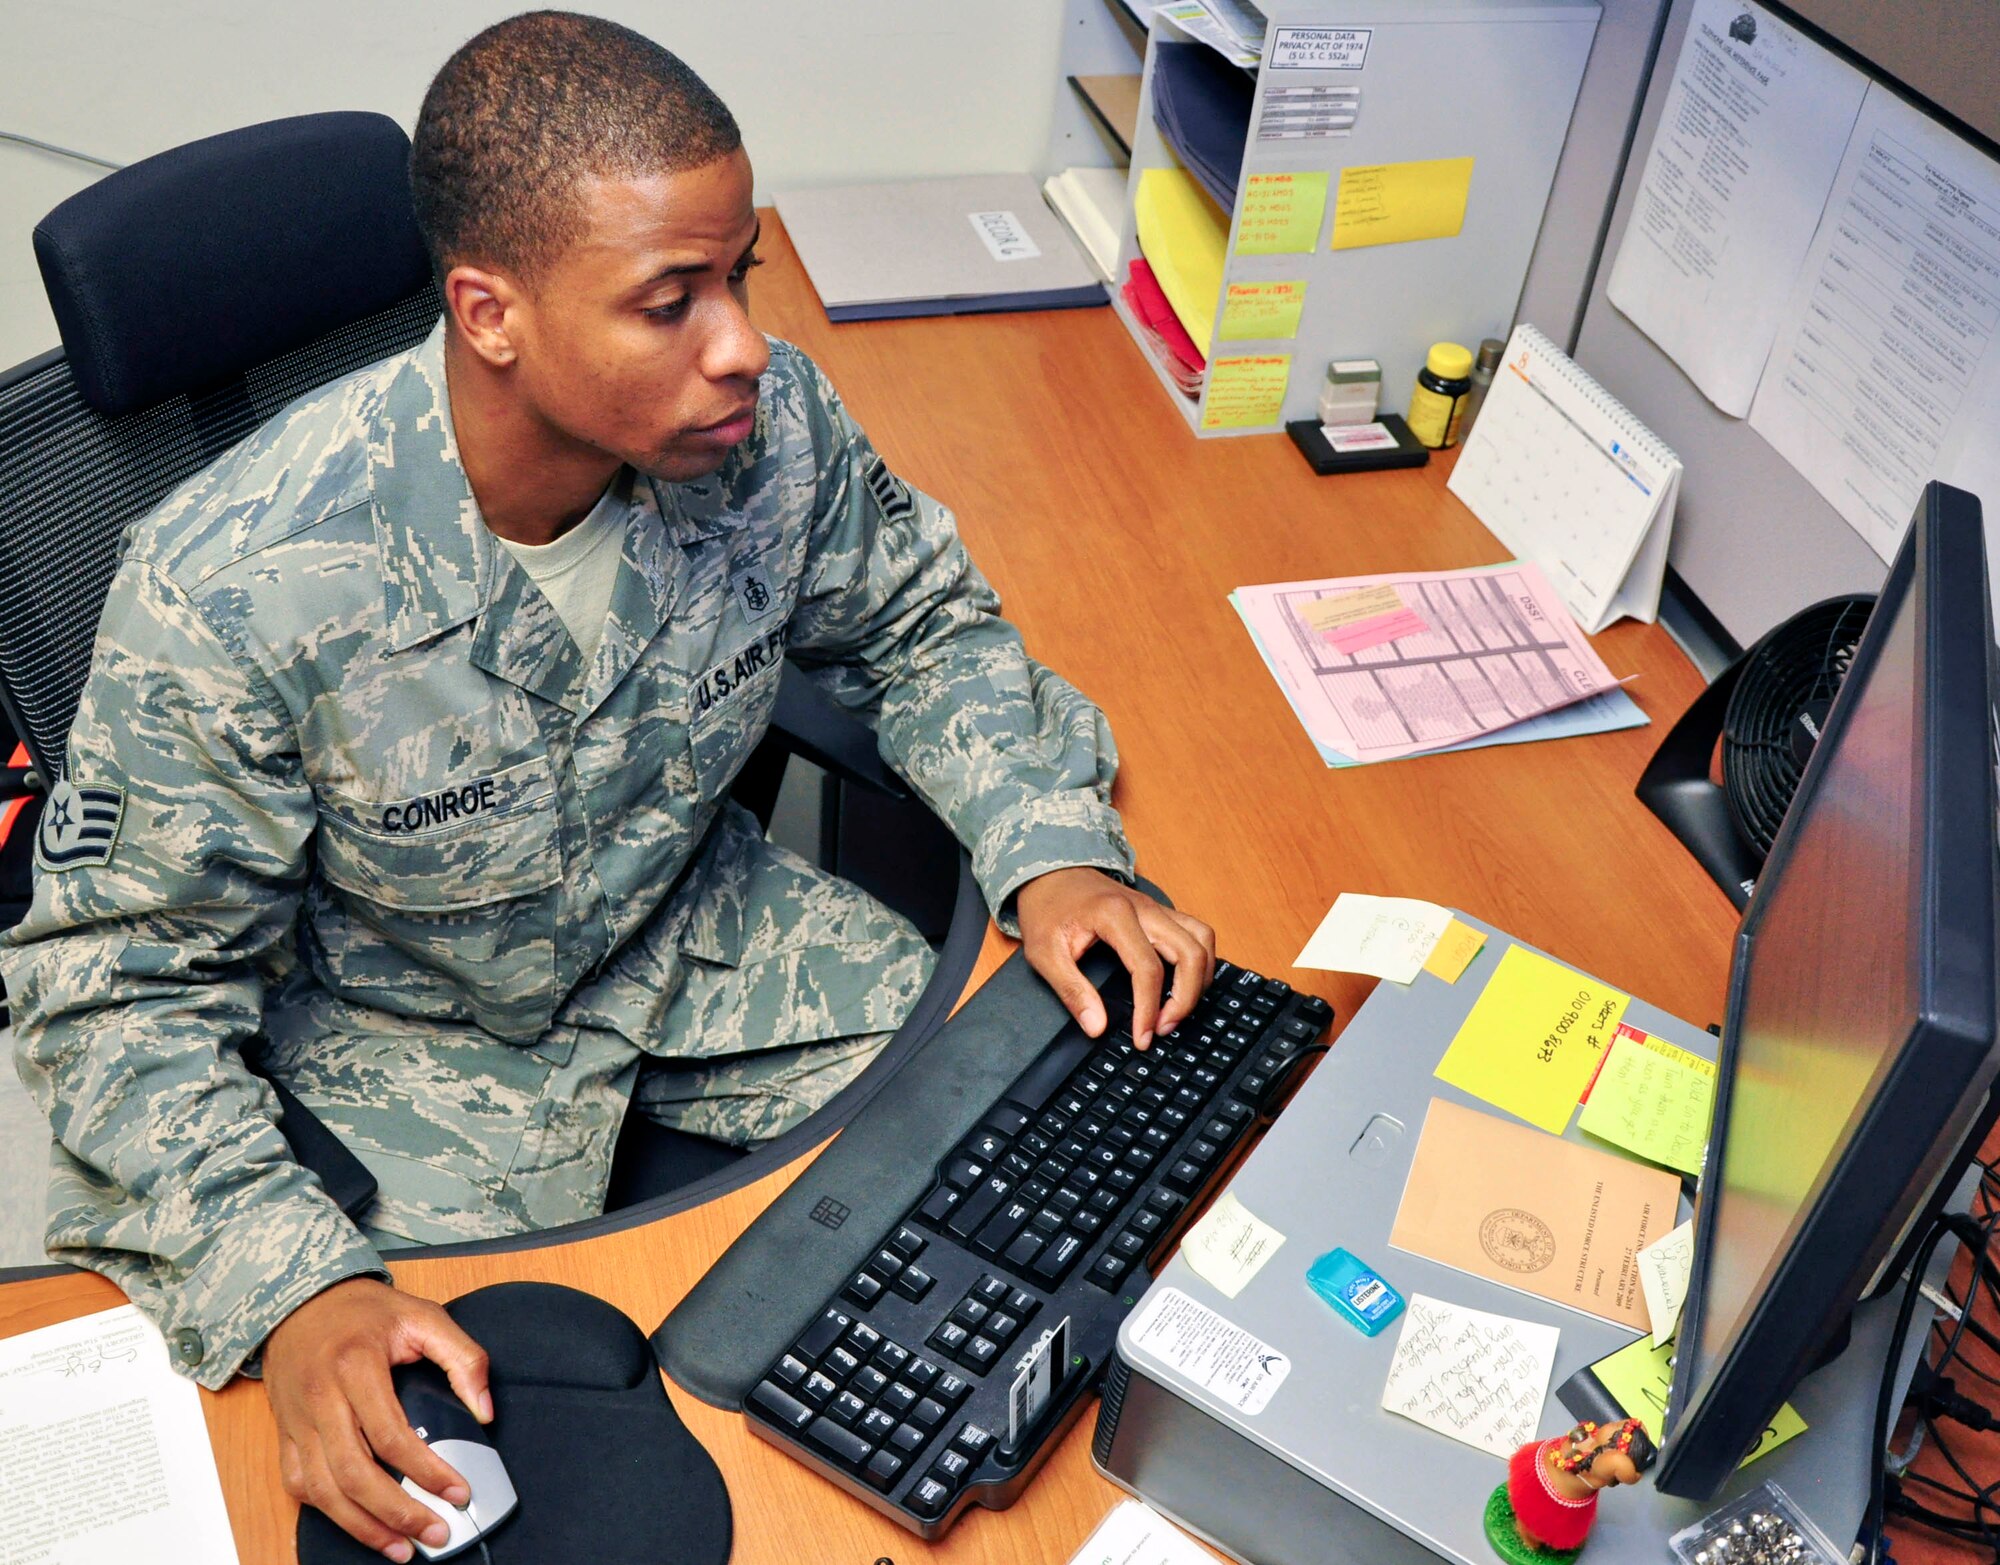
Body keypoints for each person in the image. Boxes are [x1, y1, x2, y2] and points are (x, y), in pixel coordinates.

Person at [2, 10, 1216, 1559]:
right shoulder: (233, 582)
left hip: (692, 934)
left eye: (740, 279)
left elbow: (923, 627)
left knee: (1076, 1108)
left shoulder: (765, 435)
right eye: (671, 301)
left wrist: (1051, 852)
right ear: (488, 312)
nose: (743, 347)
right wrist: (292, 1280)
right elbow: (111, 993)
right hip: (398, 1041)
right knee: (430, 1487)